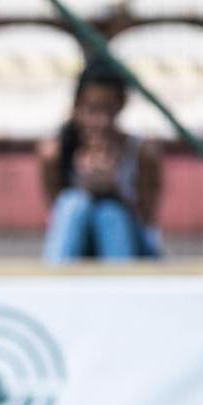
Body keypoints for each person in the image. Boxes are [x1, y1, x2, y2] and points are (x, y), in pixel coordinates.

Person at [38, 57, 164, 262]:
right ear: (77, 107)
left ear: (122, 106)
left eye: (110, 110)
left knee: (109, 213)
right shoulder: (55, 152)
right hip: (82, 246)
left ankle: (122, 287)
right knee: (73, 203)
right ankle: (56, 283)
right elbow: (58, 216)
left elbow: (147, 221)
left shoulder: (142, 152)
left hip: (133, 248)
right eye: (93, 110)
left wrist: (113, 191)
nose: (102, 121)